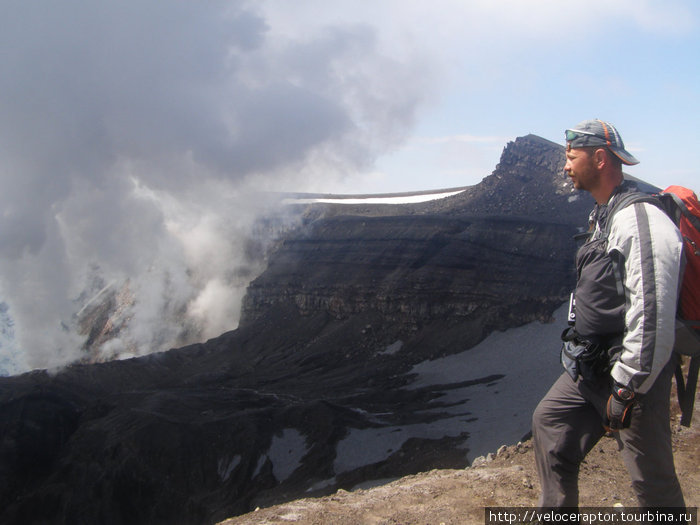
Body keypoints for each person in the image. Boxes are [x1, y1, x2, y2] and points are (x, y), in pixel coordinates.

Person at [532, 119, 686, 510]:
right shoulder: (604, 214)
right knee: (551, 424)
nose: (565, 166)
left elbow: (652, 314)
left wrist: (626, 386)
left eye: (571, 157)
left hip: (629, 376)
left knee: (653, 486)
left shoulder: (639, 220)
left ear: (599, 158)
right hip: (593, 365)